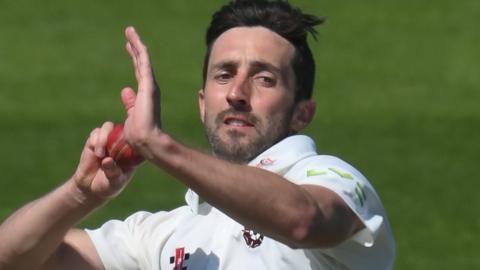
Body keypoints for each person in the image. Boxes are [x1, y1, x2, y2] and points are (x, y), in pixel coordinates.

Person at [0, 0, 395, 269]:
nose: (238, 94)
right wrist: (79, 194)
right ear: (203, 103)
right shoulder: (164, 234)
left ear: (302, 114)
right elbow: (14, 258)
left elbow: (302, 221)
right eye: (225, 75)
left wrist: (158, 144)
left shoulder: (333, 180)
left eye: (264, 78)